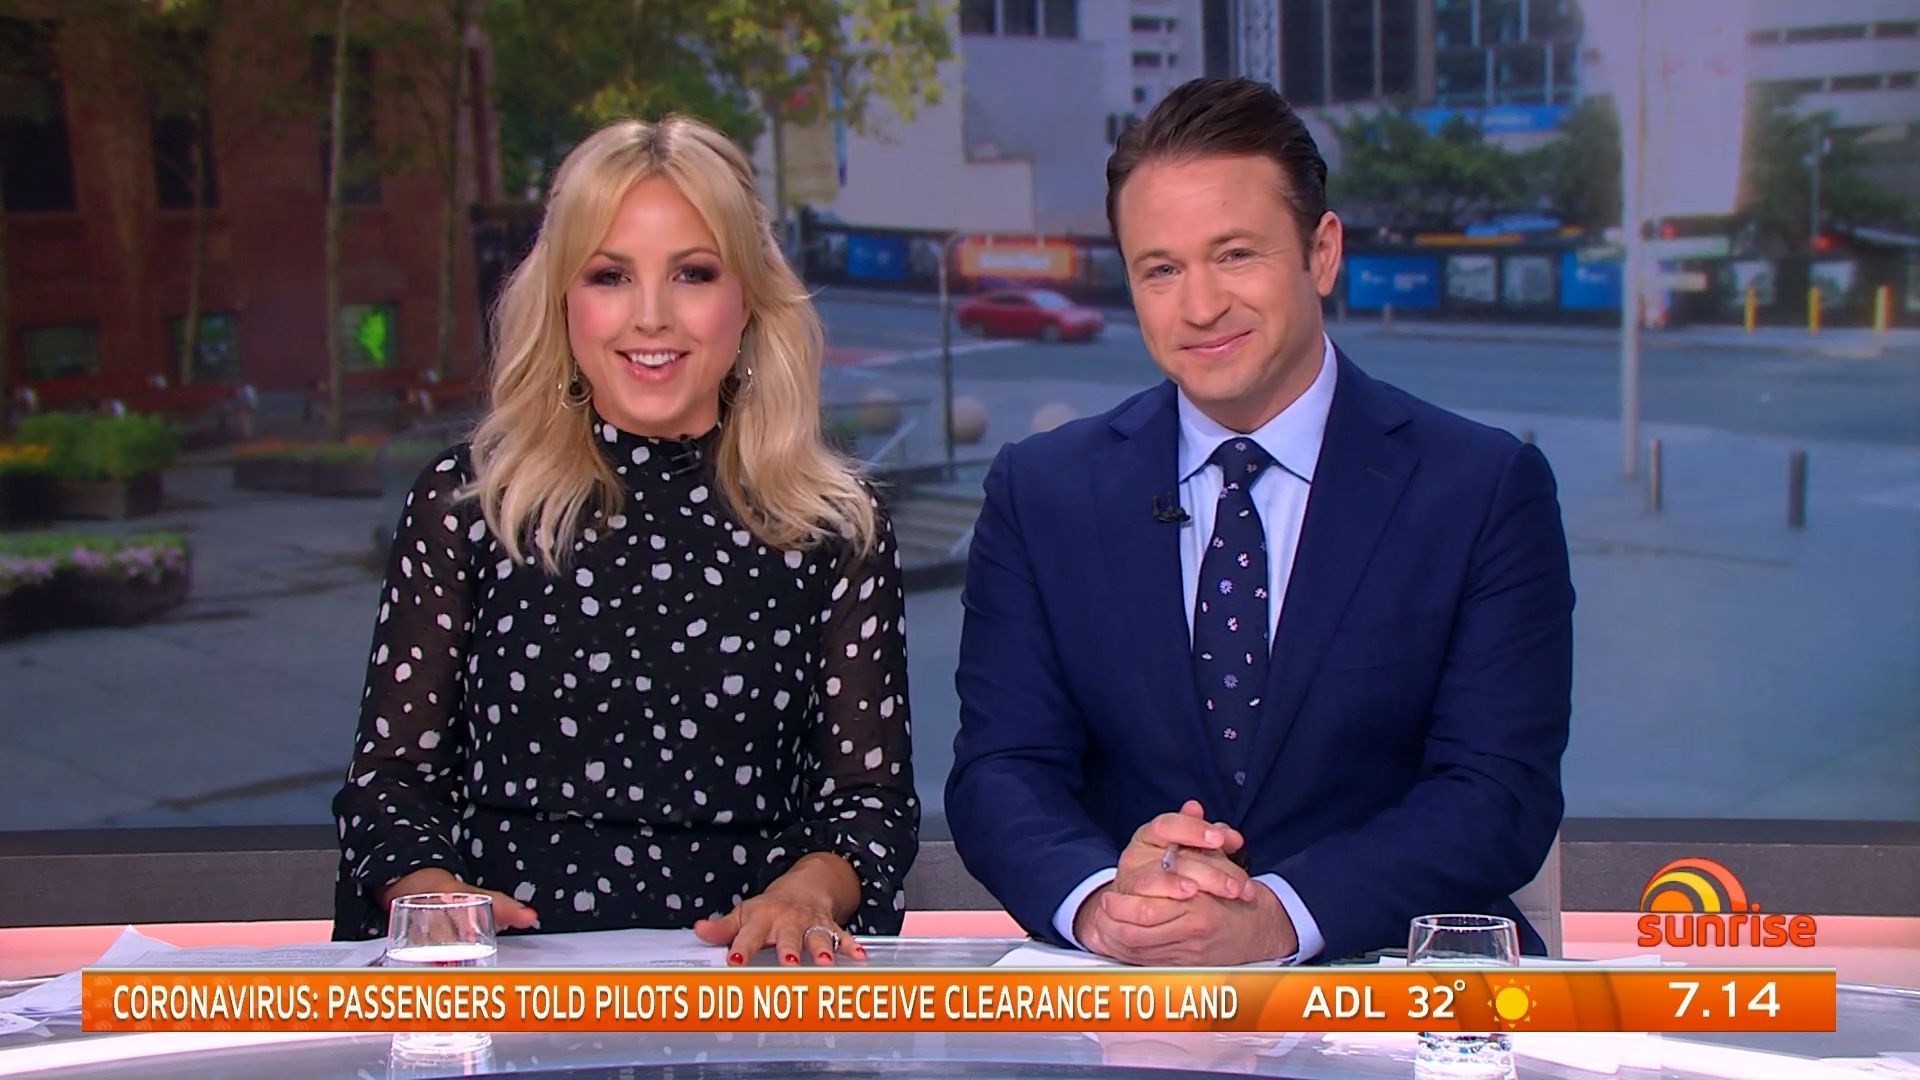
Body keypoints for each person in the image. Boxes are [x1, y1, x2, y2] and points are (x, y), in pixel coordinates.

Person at [946, 78, 1573, 965]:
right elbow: (1001, 772)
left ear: (1323, 252)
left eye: (1235, 254)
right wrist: (1102, 904)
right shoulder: (1042, 492)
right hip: (1130, 997)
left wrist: (1278, 915)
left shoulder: (1481, 489)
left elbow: (1496, 792)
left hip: (1392, 989)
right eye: (1161, 269)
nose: (1200, 305)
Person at [332, 116, 917, 966]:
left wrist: (808, 893)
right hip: (504, 983)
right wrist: (433, 900)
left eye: (692, 274)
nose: (651, 317)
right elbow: (390, 784)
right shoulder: (471, 504)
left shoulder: (835, 527)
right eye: (610, 275)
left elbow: (868, 806)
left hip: (745, 988)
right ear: (563, 299)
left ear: (748, 298)